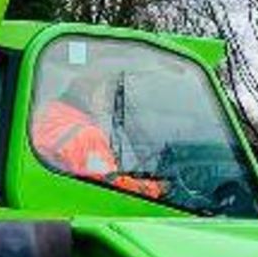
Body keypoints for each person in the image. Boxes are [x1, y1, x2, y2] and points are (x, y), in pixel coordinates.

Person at [31, 75, 165, 200]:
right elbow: (110, 183)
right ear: (89, 96)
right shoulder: (88, 136)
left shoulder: (44, 115)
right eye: (105, 95)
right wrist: (157, 189)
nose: (107, 104)